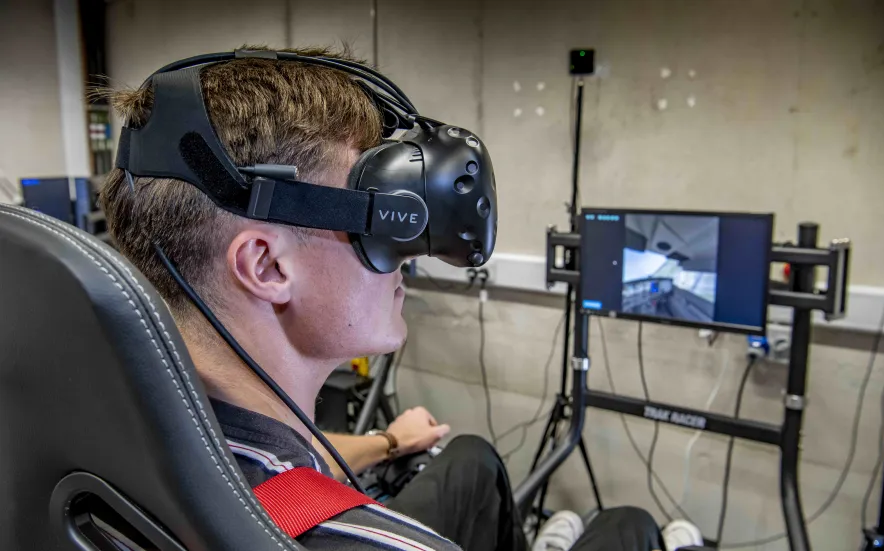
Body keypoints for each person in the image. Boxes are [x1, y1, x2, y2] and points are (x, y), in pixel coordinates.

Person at [100, 45, 702, 551]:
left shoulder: (116, 410)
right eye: (381, 225)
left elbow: (280, 477)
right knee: (630, 527)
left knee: (470, 460)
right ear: (265, 264)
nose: (407, 256)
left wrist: (390, 442)